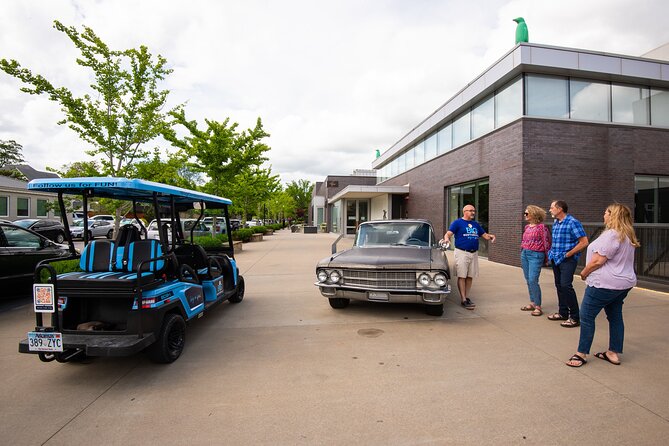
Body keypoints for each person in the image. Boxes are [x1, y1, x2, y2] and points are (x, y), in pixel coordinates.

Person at [565, 204, 639, 367]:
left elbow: (598, 260)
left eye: (605, 212)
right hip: (623, 284)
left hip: (604, 284)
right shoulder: (627, 235)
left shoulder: (612, 235)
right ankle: (613, 352)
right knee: (615, 316)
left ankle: (581, 354)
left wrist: (584, 273)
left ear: (613, 216)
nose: (603, 215)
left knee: (587, 316)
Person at [443, 204, 496, 309]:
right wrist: (446, 239)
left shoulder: (475, 224)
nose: (473, 213)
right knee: (462, 275)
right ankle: (463, 299)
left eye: (474, 211)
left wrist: (490, 236)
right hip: (462, 252)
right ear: (464, 211)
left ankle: (466, 297)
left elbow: (484, 235)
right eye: (471, 210)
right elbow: (448, 233)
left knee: (470, 276)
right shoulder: (457, 223)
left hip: (474, 253)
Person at [547, 200, 588, 328]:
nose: (550, 210)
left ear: (559, 209)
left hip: (567, 260)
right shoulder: (556, 223)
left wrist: (569, 254)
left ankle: (575, 317)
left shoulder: (573, 222)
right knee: (559, 285)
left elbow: (584, 242)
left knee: (566, 286)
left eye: (552, 207)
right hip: (556, 258)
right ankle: (563, 313)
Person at [520, 205, 551, 316]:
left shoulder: (542, 227)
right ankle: (532, 302)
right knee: (528, 279)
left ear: (533, 214)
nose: (525, 215)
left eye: (527, 213)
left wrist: (547, 258)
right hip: (525, 253)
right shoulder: (527, 227)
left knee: (533, 279)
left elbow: (546, 242)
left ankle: (538, 306)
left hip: (536, 255)